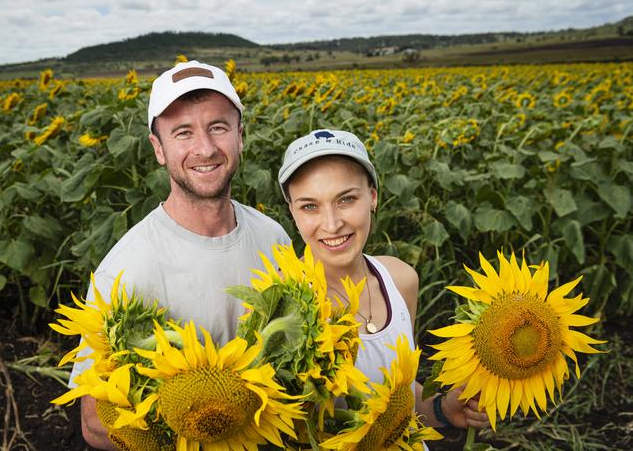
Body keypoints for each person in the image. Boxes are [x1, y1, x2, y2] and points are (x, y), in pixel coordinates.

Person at [69, 61, 291, 450]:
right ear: (158, 148)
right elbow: (94, 424)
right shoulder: (123, 272)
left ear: (241, 136)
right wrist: (200, 422)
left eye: (218, 127)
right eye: (183, 132)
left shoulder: (272, 238)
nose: (205, 148)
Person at [278, 128, 490, 431]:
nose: (332, 223)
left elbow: (402, 396)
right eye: (310, 206)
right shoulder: (281, 302)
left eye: (346, 199)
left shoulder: (400, 279)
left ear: (373, 197)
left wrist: (444, 410)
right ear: (293, 211)